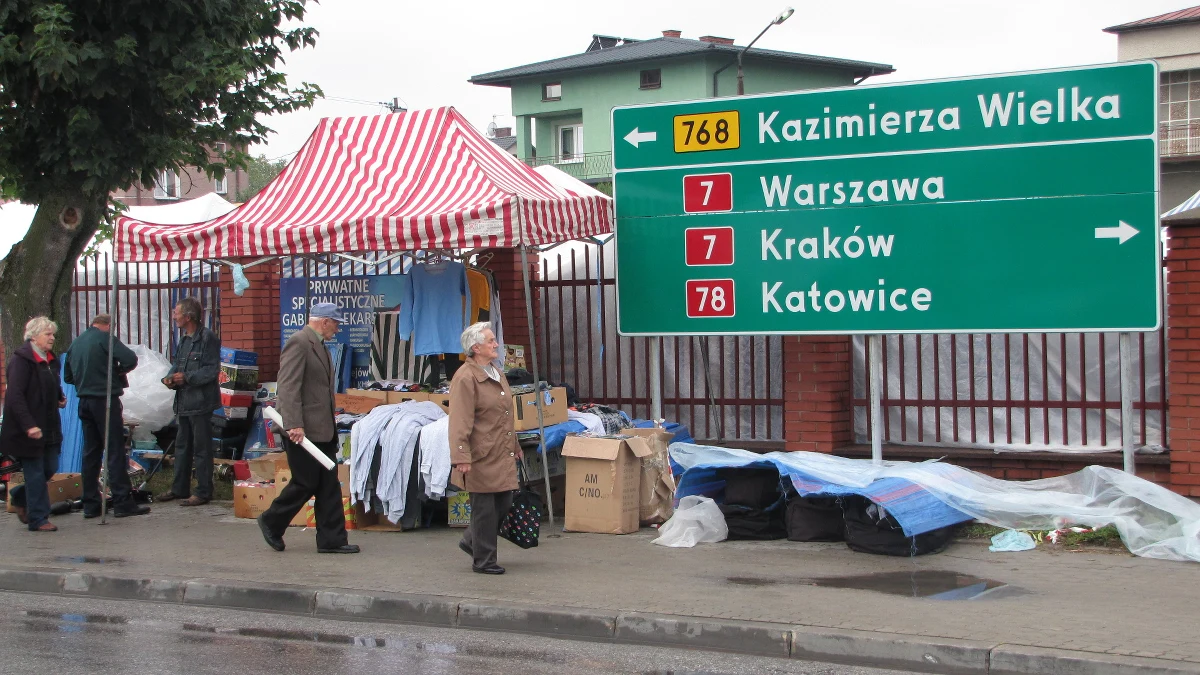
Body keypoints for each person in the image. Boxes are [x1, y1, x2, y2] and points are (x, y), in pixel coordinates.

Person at [257, 303, 358, 554]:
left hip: (321, 429)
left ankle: (332, 540)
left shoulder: (319, 346)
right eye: (335, 323)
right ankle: (272, 520)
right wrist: (293, 424)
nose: (337, 328)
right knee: (306, 481)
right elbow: (288, 386)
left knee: (328, 484)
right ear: (324, 322)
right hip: (302, 431)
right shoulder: (299, 342)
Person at [450, 321, 523, 575]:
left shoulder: (495, 371)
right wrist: (461, 456)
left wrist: (515, 444)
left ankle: (472, 541)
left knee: (504, 502)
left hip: (500, 451)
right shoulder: (465, 377)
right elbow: (460, 420)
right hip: (480, 454)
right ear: (476, 347)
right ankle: (484, 561)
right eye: (491, 341)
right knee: (484, 510)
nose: (496, 344)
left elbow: (505, 414)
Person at [63, 314, 150, 518]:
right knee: (114, 450)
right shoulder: (106, 339)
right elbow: (130, 359)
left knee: (90, 452)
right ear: (108, 326)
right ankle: (122, 502)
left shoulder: (76, 343)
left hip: (84, 401)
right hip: (105, 400)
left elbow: (68, 376)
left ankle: (91, 503)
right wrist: (116, 371)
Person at [0, 317, 67, 532]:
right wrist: (29, 425)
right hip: (27, 429)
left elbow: (51, 383)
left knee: (50, 468)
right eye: (48, 334)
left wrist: (59, 396)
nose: (52, 338)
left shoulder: (49, 359)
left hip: (49, 425)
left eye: (52, 334)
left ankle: (19, 494)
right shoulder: (21, 361)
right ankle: (38, 519)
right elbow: (15, 396)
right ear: (34, 336)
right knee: (36, 473)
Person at [156, 297, 221, 506]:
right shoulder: (184, 340)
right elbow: (177, 365)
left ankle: (203, 491)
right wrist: (169, 378)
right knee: (182, 447)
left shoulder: (207, 338)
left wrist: (187, 378)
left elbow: (211, 370)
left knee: (201, 448)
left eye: (177, 313)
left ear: (188, 316)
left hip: (201, 403)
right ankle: (179, 488)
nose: (174, 317)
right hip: (183, 402)